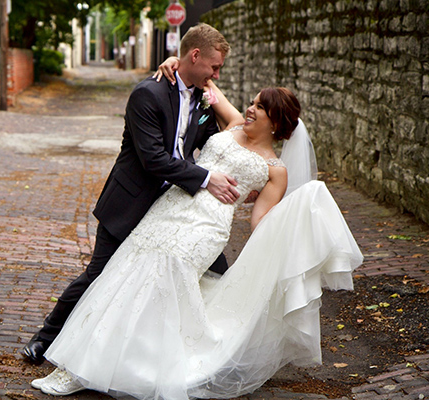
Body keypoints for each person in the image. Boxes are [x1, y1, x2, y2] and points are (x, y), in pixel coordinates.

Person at [29, 79, 363, 399]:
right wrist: (173, 58)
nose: (249, 109)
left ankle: (119, 366)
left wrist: (293, 229)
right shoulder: (232, 123)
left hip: (206, 229)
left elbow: (261, 220)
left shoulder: (275, 170)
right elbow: (205, 85)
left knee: (162, 279)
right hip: (169, 208)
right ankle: (82, 365)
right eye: (252, 102)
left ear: (276, 122)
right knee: (125, 270)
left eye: (259, 107)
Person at [21, 23, 240, 365]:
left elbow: (220, 138)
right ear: (194, 56)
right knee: (100, 274)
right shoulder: (147, 94)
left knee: (213, 268)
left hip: (175, 207)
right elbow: (154, 159)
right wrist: (207, 178)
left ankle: (206, 349)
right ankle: (45, 338)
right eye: (214, 67)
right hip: (131, 201)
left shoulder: (202, 96)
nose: (216, 74)